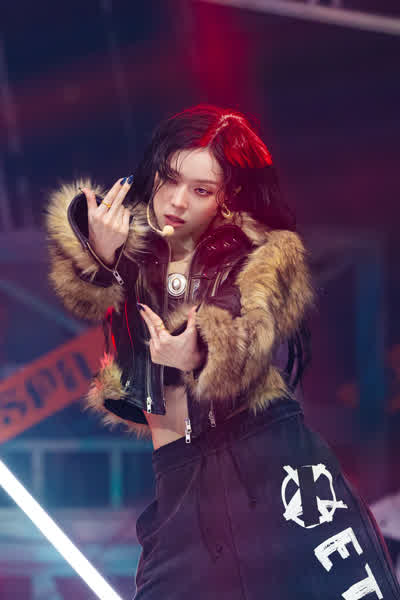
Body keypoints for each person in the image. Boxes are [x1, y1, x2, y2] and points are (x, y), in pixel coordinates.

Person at [45, 104, 400, 599]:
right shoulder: (128, 249)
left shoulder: (260, 254)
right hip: (181, 480)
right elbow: (97, 315)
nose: (177, 201)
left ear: (227, 198)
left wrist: (198, 353)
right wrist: (103, 260)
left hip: (273, 469)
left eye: (201, 190)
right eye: (170, 179)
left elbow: (245, 332)